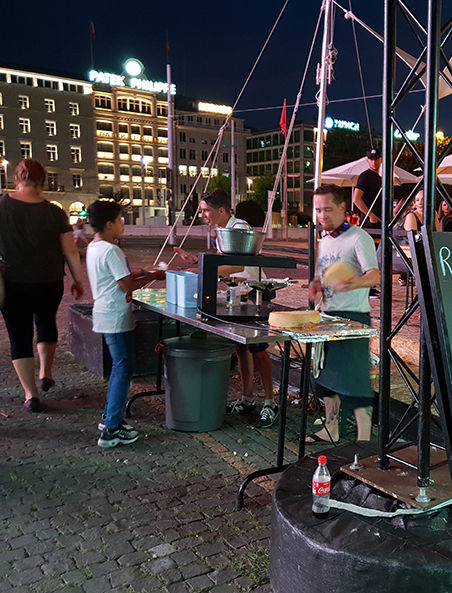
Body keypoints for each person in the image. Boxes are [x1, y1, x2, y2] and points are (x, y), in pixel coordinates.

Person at [173, 189, 278, 426]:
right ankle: (247, 397)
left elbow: (236, 264)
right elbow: (225, 261)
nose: (204, 216)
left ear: (221, 210)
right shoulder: (222, 231)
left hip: (254, 294)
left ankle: (270, 402)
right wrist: (198, 262)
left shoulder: (239, 228)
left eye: (206, 210)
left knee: (258, 348)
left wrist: (206, 271)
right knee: (241, 347)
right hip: (238, 293)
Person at [0, 159, 84, 412]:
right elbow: (70, 251)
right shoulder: (55, 212)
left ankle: (30, 394)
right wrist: (77, 279)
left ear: (16, 179)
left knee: (19, 336)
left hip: (12, 283)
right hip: (49, 281)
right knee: (46, 323)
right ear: (44, 182)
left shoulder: (1, 206)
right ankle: (45, 372)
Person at [87, 201, 166, 447]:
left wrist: (141, 271)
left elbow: (116, 277)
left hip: (105, 313)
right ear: (109, 224)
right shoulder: (111, 250)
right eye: (120, 220)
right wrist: (154, 276)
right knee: (124, 369)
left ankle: (111, 416)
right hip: (115, 317)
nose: (123, 225)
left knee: (119, 368)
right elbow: (126, 286)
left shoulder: (94, 247)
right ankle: (111, 429)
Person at [307, 184, 380, 443]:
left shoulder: (359, 238)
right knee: (325, 378)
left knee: (354, 379)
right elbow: (321, 275)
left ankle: (364, 439)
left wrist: (350, 283)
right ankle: (331, 430)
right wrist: (316, 285)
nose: (322, 216)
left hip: (353, 317)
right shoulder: (323, 241)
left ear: (342, 208)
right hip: (327, 316)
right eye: (318, 210)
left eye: (328, 209)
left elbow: (374, 274)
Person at [352, 149, 383, 230]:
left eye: (376, 159)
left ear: (381, 160)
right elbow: (356, 199)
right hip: (369, 222)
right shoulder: (365, 176)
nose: (374, 162)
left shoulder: (380, 179)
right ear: (367, 161)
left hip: (380, 221)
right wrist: (370, 215)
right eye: (371, 159)